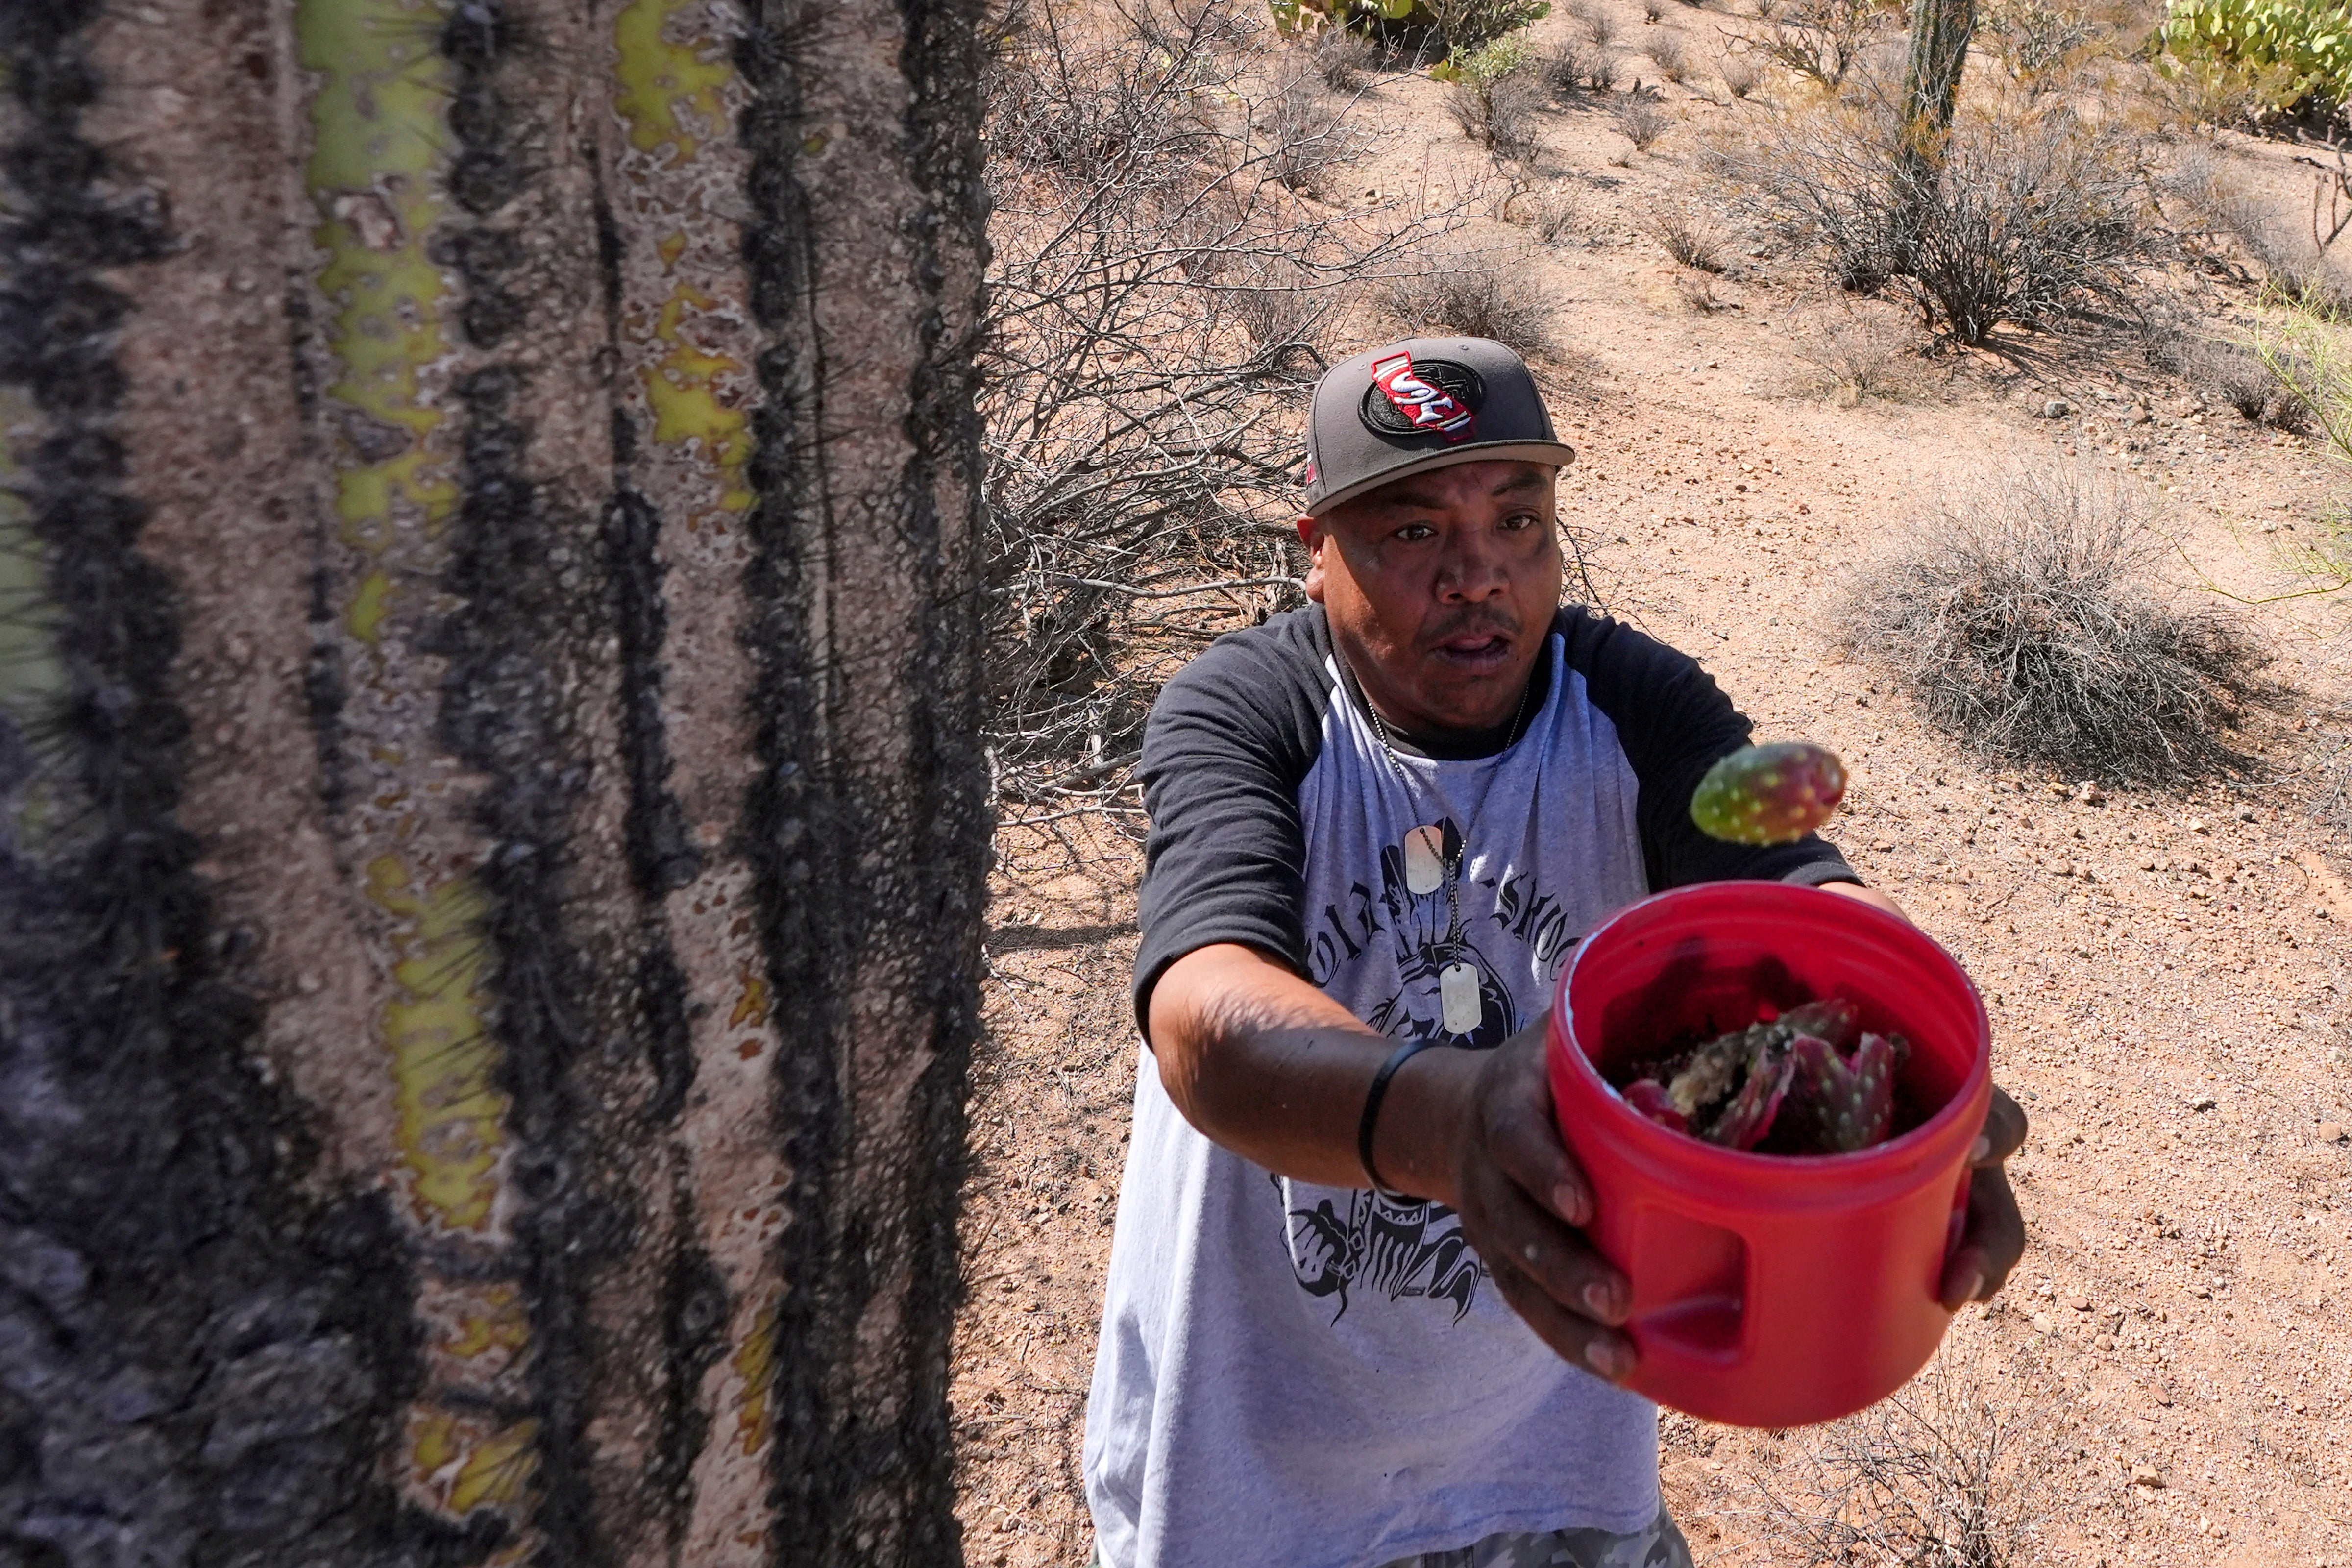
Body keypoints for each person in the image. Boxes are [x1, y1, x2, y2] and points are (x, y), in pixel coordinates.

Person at [1078, 338, 2028, 1568]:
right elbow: (1206, 1013)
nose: (1479, 576)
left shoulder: (1638, 704)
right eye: (1412, 533)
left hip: (1550, 1455)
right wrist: (1451, 1123)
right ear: (1317, 557)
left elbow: (1792, 880)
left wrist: (1913, 1087)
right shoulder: (1242, 710)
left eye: (1519, 519)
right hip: (1261, 1476)